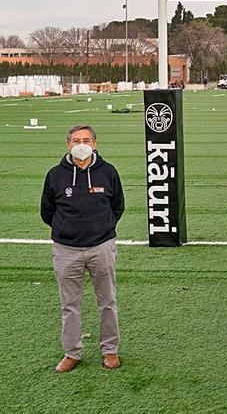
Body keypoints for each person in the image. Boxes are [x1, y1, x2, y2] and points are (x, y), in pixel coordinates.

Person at [40, 125, 125, 373]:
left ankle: (110, 350)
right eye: (76, 140)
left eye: (86, 139)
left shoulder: (108, 172)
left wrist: (103, 228)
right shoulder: (55, 174)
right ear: (68, 145)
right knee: (69, 304)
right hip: (66, 250)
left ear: (94, 144)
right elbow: (47, 211)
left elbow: (117, 206)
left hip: (102, 247)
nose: (81, 143)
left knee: (107, 301)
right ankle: (72, 352)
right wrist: (66, 229)